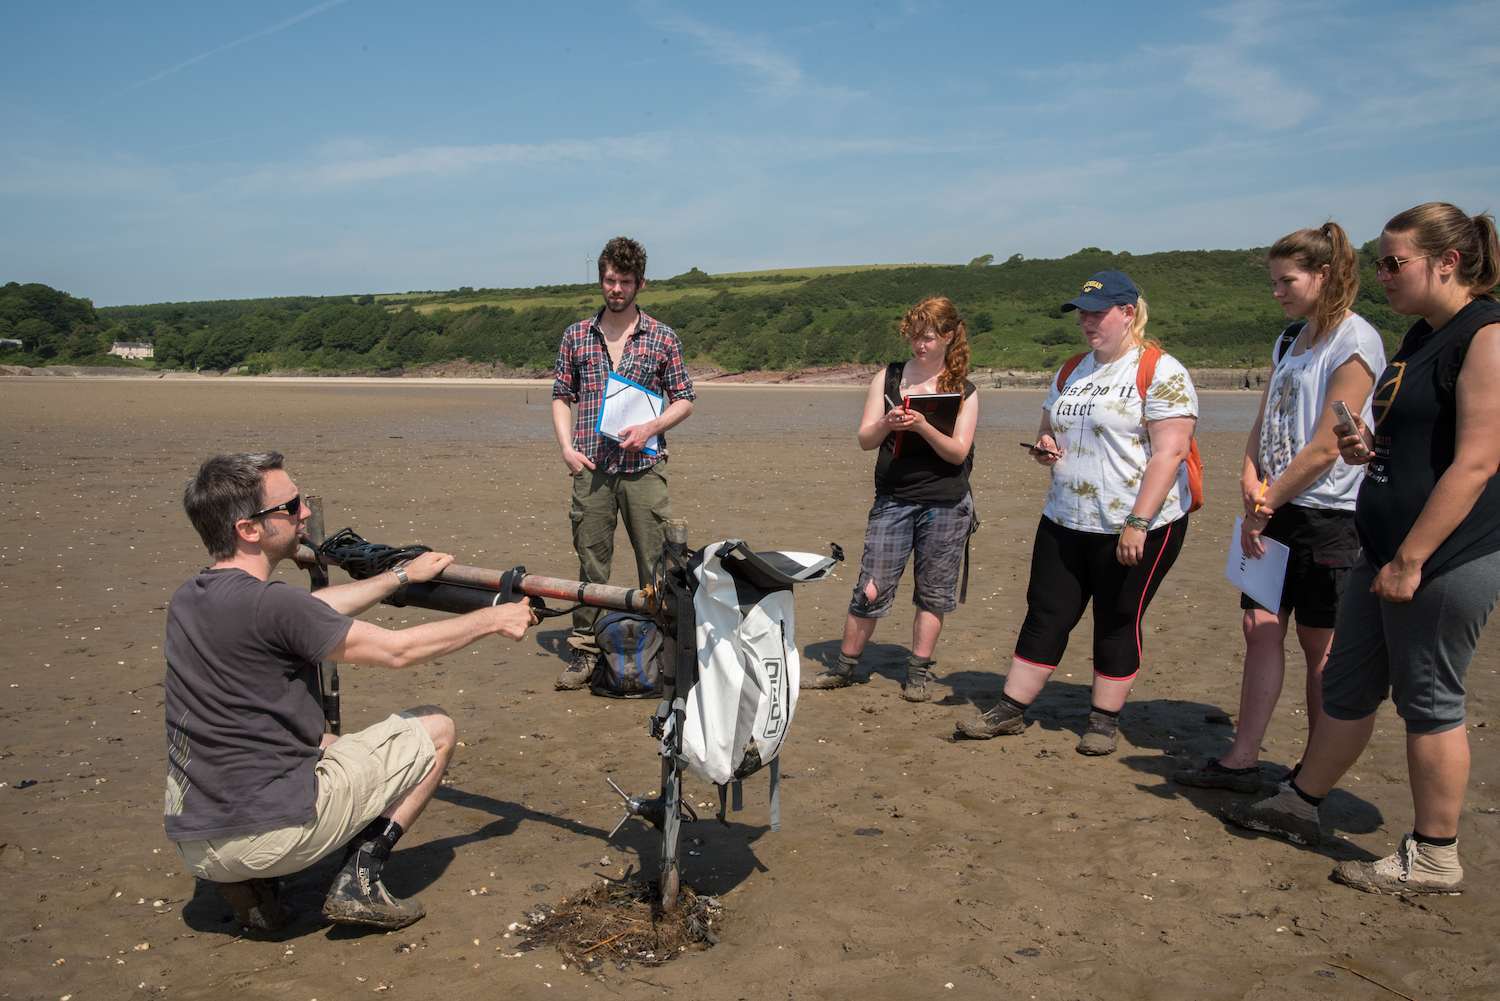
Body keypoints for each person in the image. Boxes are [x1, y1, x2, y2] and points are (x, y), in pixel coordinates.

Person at [1226, 203, 1500, 894]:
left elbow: (1475, 463)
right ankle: (1301, 799)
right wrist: (1361, 446)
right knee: (1347, 683)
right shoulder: (1421, 336)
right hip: (1381, 546)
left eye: (1394, 261)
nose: (1381, 274)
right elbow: (1410, 445)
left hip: (1445, 555)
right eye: (1378, 261)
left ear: (1448, 262)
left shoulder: (1487, 335)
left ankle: (1434, 852)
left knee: (1429, 698)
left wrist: (1412, 558)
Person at [165, 452, 536, 931]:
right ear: (248, 529)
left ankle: (246, 882)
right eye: (291, 506)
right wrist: (492, 618)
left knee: (329, 746)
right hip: (267, 837)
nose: (304, 514)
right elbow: (397, 652)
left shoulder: (192, 597)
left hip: (195, 840)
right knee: (436, 728)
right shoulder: (272, 605)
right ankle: (360, 879)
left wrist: (399, 576)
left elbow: (309, 608)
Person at [1175, 223, 1384, 793]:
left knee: (1322, 645)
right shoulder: (1291, 337)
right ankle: (1242, 757)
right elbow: (1267, 416)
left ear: (1324, 275)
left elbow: (1325, 442)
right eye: (1273, 281)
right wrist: (1249, 475)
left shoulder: (1355, 341)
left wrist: (1266, 502)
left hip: (1327, 512)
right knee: (1259, 626)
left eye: (1286, 280)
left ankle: (1312, 771)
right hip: (1274, 505)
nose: (1277, 292)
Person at [955, 271, 1197, 755]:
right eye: (1082, 313)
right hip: (1066, 516)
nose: (1087, 322)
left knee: (1117, 617)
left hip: (1137, 523)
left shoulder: (1160, 369)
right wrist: (1046, 445)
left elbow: (1170, 454)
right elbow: (1051, 426)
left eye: (1097, 312)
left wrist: (1138, 523)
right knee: (1046, 612)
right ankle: (1010, 709)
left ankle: (1103, 721)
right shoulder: (1071, 370)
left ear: (1128, 313)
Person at [803, 295, 980, 700]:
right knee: (872, 584)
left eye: (930, 337)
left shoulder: (964, 390)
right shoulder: (888, 377)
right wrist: (887, 421)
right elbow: (866, 440)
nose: (920, 345)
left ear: (949, 337)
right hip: (894, 499)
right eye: (914, 336)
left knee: (934, 590)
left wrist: (921, 427)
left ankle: (918, 671)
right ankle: (846, 666)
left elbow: (957, 452)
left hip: (947, 503)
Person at [551, 236, 695, 690]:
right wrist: (566, 447)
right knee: (591, 561)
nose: (616, 288)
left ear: (640, 284)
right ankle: (585, 650)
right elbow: (561, 396)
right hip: (590, 469)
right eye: (610, 280)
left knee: (657, 562)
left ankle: (665, 647)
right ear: (601, 280)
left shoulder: (662, 336)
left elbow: (685, 398)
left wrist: (650, 429)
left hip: (644, 470)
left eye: (625, 281)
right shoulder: (577, 335)